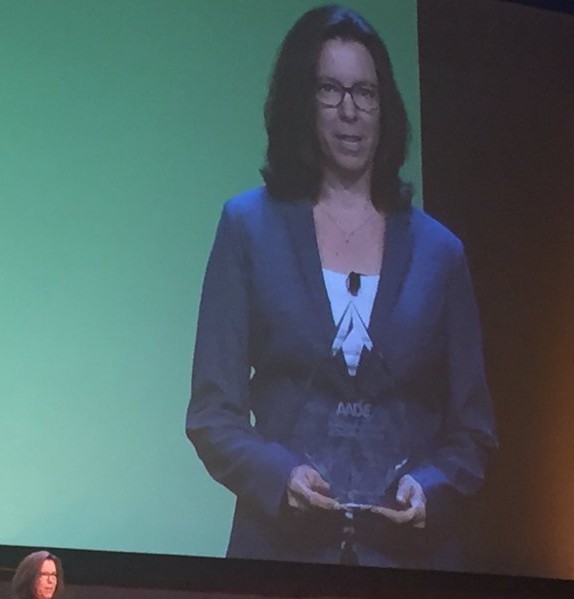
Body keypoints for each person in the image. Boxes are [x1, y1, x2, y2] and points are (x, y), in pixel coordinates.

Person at [186, 4, 497, 569]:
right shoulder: (247, 227)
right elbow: (212, 414)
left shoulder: (440, 252)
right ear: (302, 101)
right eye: (330, 90)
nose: (350, 111)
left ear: (384, 107)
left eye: (365, 93)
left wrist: (428, 489)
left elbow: (473, 434)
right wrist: (280, 477)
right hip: (280, 562)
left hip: (412, 571)